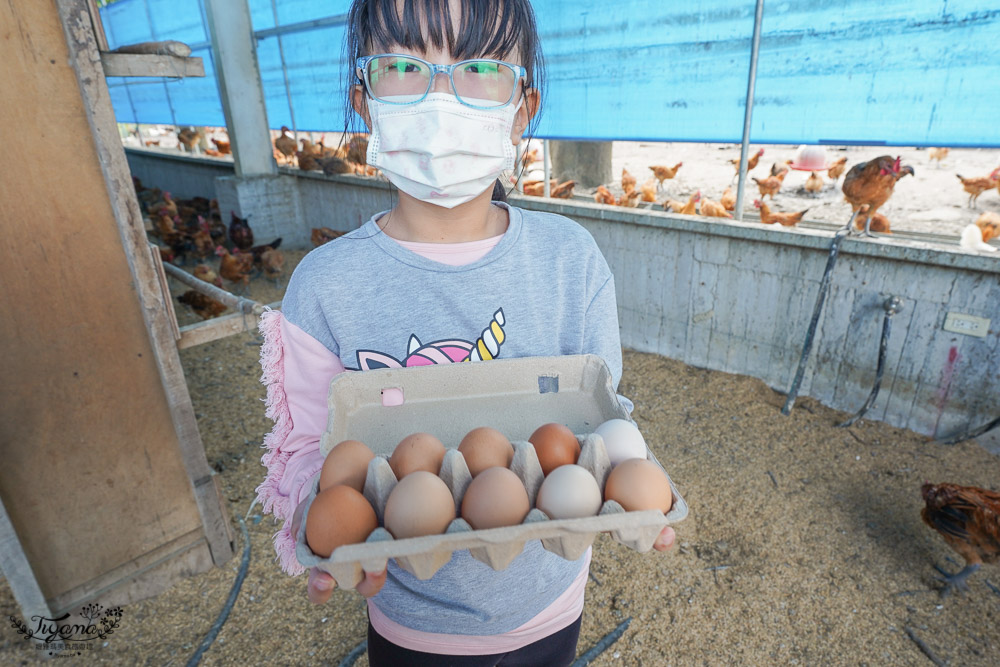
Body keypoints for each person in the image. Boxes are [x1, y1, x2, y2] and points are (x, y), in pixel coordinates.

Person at [255, 1, 675, 664]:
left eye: (480, 66)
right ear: (364, 102)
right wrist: (327, 527)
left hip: (551, 602)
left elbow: (600, 413)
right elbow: (311, 450)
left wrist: (628, 480)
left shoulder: (571, 262)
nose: (441, 95)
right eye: (402, 64)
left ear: (521, 107)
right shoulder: (325, 286)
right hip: (411, 621)